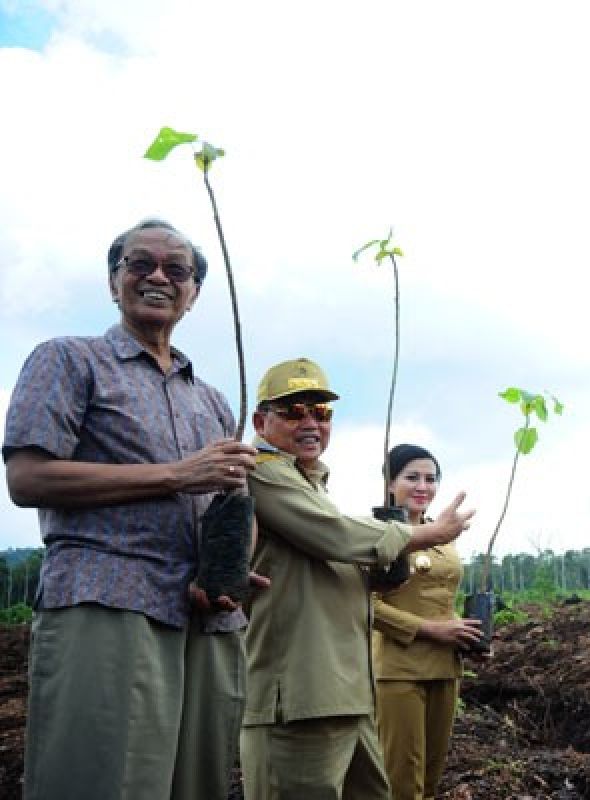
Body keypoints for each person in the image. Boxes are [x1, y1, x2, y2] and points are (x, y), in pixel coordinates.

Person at [3, 218, 259, 800]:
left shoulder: (212, 400)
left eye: (176, 269)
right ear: (113, 281)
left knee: (196, 783)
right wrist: (176, 474)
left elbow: (233, 499)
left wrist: (227, 570)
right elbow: (28, 476)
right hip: (109, 599)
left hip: (204, 616)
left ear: (193, 294)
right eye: (139, 264)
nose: (158, 277)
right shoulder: (70, 361)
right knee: (106, 780)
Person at [240, 359, 475, 800]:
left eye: (321, 413)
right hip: (302, 694)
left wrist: (372, 580)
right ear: (260, 420)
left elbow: (330, 556)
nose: (310, 422)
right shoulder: (262, 470)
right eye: (294, 411)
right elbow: (336, 536)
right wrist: (424, 534)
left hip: (349, 690)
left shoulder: (311, 484)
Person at [372, 444, 483, 800]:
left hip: (445, 668)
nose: (423, 486)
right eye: (412, 477)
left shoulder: (444, 538)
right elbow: (365, 605)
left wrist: (471, 638)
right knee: (402, 780)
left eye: (431, 479)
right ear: (390, 484)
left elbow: (443, 602)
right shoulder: (376, 536)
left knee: (432, 777)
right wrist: (430, 629)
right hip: (398, 670)